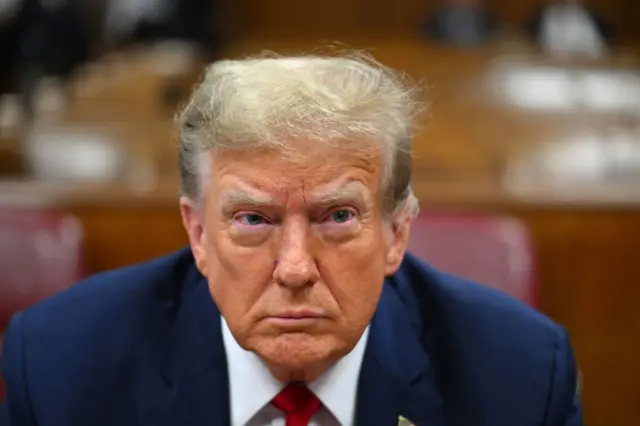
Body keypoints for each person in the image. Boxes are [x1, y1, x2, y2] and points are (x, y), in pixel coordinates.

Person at [1, 52, 583, 426]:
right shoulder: (61, 368)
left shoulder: (520, 379)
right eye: (254, 220)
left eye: (336, 217)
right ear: (198, 234)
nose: (296, 268)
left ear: (397, 233)